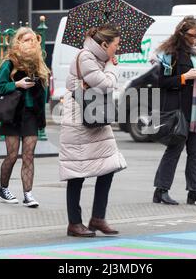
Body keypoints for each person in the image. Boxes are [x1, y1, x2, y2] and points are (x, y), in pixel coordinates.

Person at [59, 24, 127, 237]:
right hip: (80, 121)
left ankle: (98, 217)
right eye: (116, 45)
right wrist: (113, 68)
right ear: (105, 44)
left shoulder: (99, 58)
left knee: (108, 167)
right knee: (77, 172)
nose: (118, 48)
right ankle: (74, 223)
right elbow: (106, 85)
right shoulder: (86, 57)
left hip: (95, 119)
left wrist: (108, 64)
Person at [150, 16, 196, 207]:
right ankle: (161, 191)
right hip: (179, 111)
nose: (195, 39)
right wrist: (185, 77)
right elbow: (163, 82)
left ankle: (194, 192)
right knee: (174, 150)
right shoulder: (171, 55)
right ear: (182, 33)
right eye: (192, 35)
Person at [0, 27, 50, 208]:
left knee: (29, 155)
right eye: (26, 40)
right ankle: (3, 188)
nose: (31, 43)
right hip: (12, 114)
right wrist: (17, 84)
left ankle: (28, 194)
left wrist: (42, 82)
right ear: (18, 42)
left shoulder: (38, 64)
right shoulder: (10, 62)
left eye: (33, 40)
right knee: (12, 155)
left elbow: (44, 94)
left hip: (31, 115)